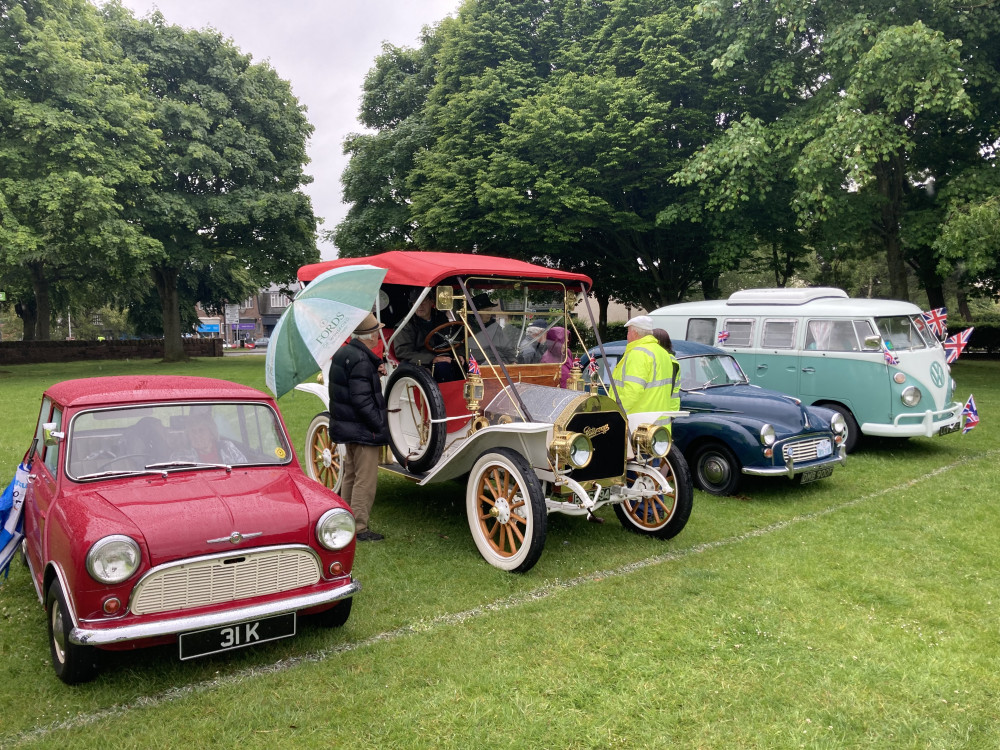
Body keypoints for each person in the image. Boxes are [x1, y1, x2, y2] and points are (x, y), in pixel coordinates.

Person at [328, 313, 390, 542]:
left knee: (350, 475)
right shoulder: (362, 361)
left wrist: (377, 366)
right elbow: (362, 400)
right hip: (364, 428)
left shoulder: (345, 353)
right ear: (371, 336)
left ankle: (346, 521)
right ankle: (359, 528)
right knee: (365, 479)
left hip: (348, 426)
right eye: (376, 332)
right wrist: (379, 425)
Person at [611, 315, 681, 432]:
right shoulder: (663, 354)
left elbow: (632, 392)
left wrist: (615, 414)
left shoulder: (638, 354)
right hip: (659, 428)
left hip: (638, 426)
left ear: (635, 333)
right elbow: (673, 393)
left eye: (628, 332)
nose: (627, 336)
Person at [393, 291, 463, 382]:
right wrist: (431, 359)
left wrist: (460, 355)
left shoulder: (441, 318)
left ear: (432, 302)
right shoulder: (406, 324)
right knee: (443, 368)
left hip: (446, 356)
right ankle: (447, 395)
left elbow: (455, 339)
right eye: (416, 302)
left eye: (423, 301)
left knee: (468, 365)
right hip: (421, 362)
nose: (419, 306)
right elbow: (403, 351)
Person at [177, 412, 247, 465]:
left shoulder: (227, 447)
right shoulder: (181, 457)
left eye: (201, 431)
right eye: (193, 431)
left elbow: (245, 470)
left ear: (212, 434)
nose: (196, 435)